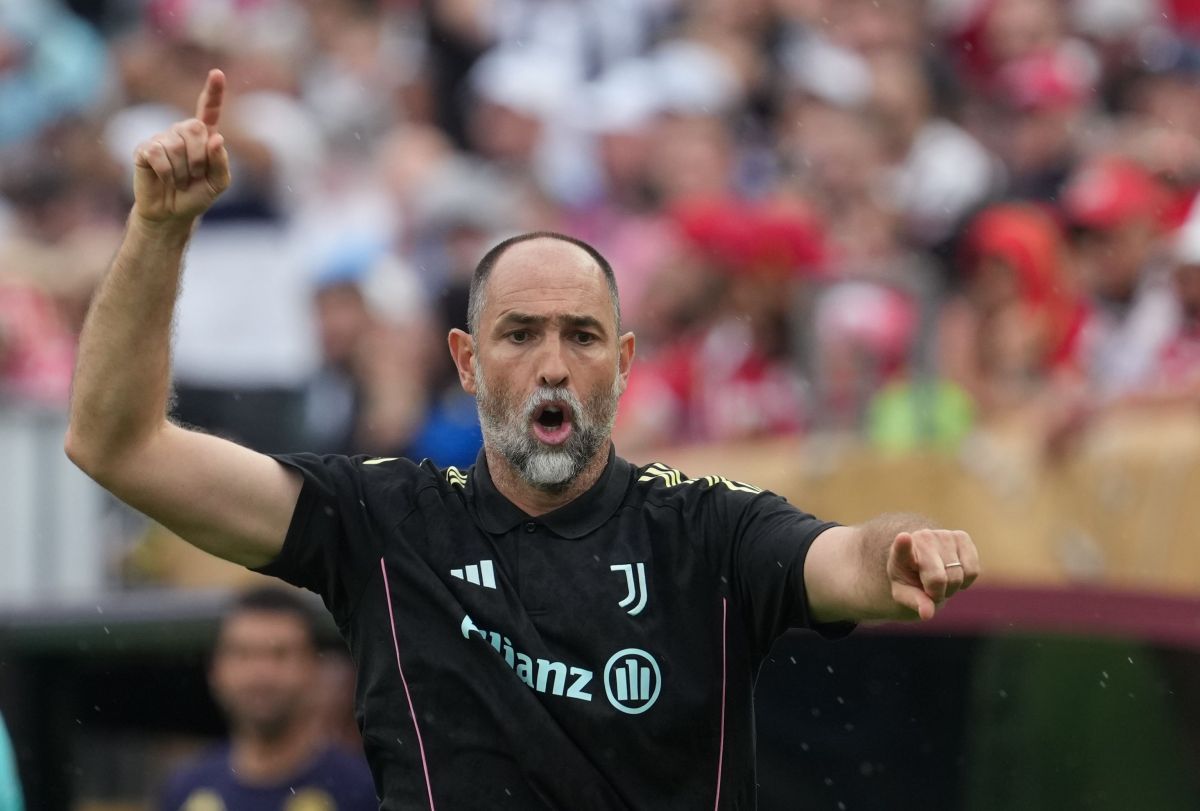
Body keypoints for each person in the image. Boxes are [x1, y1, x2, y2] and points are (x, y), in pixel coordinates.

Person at [66, 71, 981, 809]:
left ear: (623, 363)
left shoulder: (707, 531)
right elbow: (119, 447)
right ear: (466, 361)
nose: (552, 366)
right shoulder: (383, 521)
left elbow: (847, 558)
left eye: (582, 336)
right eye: (519, 335)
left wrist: (900, 547)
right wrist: (159, 229)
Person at [159, 587, 377, 811]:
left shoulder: (363, 792)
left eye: (280, 654)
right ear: (215, 670)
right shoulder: (185, 790)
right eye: (243, 654)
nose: (261, 674)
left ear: (313, 668)